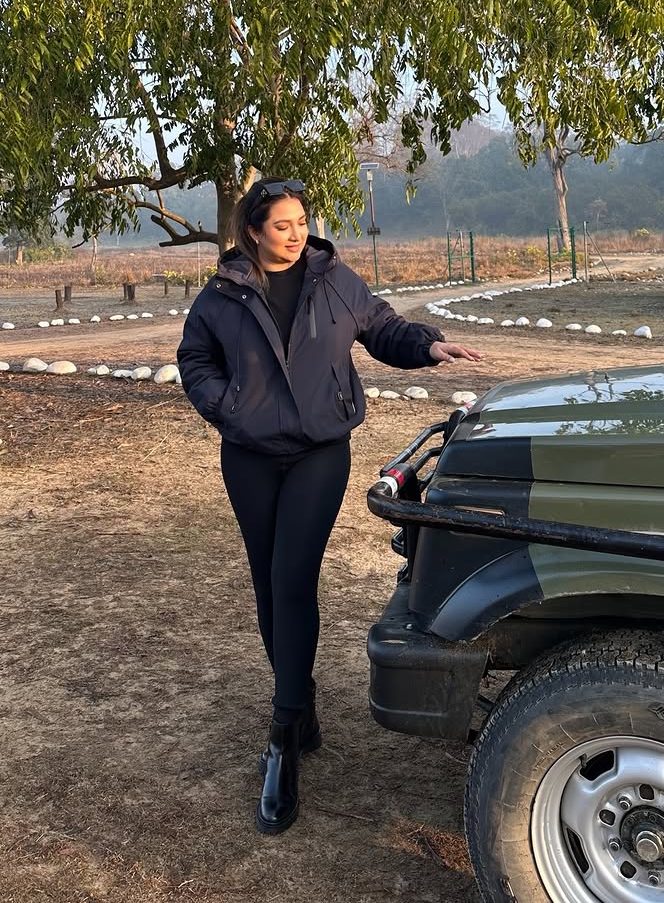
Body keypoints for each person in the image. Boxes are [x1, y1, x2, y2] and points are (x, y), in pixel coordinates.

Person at [177, 177, 482, 835]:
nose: (295, 233)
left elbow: (382, 328)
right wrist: (227, 407)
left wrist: (428, 344)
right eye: (281, 224)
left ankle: (283, 733)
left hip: (319, 452)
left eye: (300, 221)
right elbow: (194, 357)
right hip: (249, 456)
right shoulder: (224, 292)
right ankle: (301, 700)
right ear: (253, 230)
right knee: (267, 583)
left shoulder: (333, 279)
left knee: (292, 577)